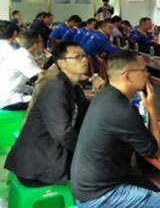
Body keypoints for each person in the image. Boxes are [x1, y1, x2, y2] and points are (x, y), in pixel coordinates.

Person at [70, 51, 160, 208]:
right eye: (143, 70)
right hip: (99, 197)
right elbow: (151, 149)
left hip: (89, 186)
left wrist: (158, 135)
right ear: (128, 76)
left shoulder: (106, 96)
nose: (147, 74)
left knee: (156, 188)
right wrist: (151, 109)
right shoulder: (122, 110)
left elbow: (137, 138)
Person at [5, 41, 103, 186]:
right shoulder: (56, 89)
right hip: (39, 165)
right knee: (102, 168)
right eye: (77, 57)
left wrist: (100, 92)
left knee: (105, 156)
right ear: (62, 63)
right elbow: (62, 133)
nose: (84, 60)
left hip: (53, 151)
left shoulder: (73, 87)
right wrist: (85, 153)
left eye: (84, 55)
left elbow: (90, 116)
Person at [0, 29, 42, 110]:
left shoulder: (20, 53)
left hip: (9, 92)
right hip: (9, 99)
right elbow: (43, 77)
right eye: (41, 41)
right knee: (47, 100)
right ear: (35, 45)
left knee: (34, 91)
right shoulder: (23, 57)